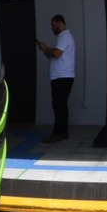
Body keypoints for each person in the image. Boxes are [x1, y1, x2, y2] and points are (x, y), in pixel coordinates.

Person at [37, 14, 75, 142]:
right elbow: (52, 55)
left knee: (59, 105)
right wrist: (44, 49)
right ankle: (62, 132)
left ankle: (59, 132)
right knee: (59, 105)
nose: (52, 28)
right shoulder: (61, 38)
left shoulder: (64, 37)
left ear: (59, 23)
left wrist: (46, 47)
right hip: (60, 77)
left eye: (53, 25)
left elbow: (56, 54)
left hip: (62, 77)